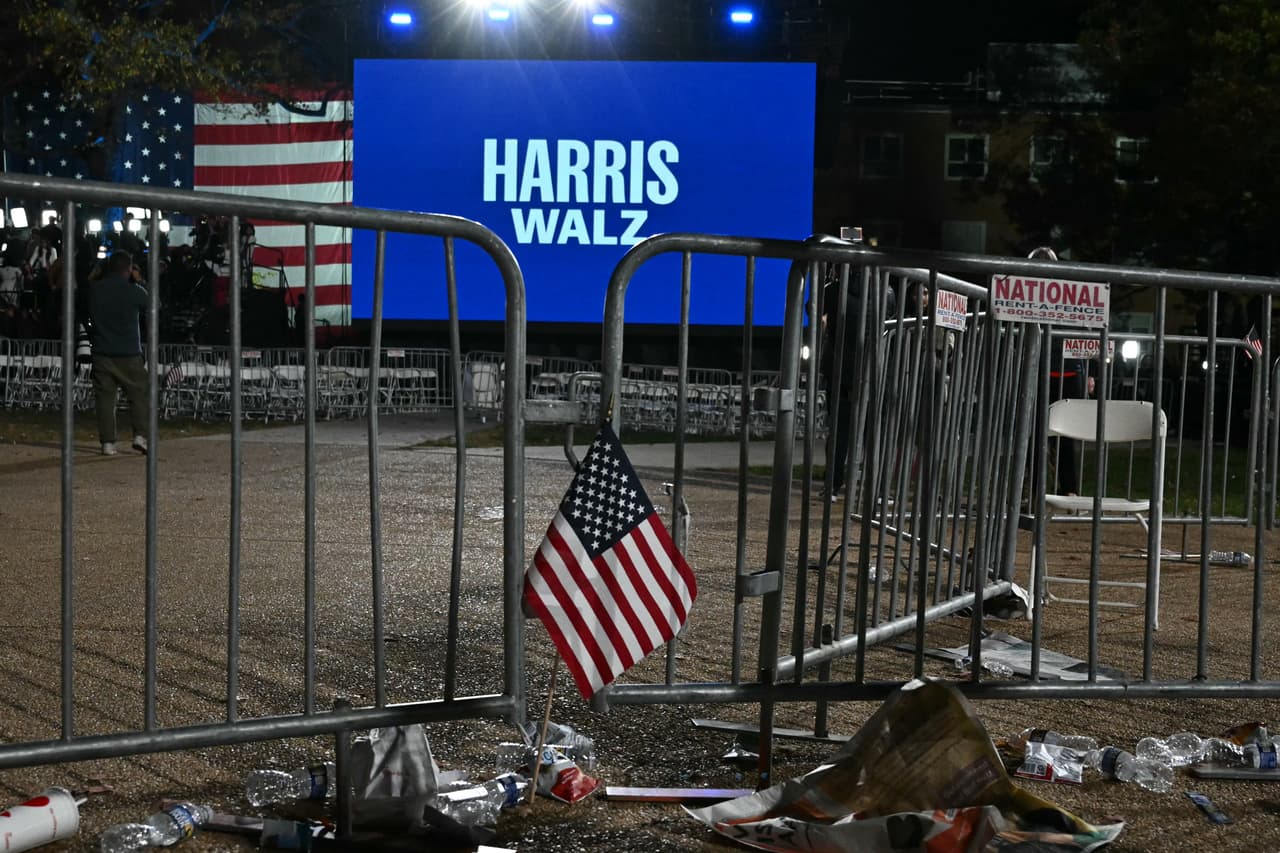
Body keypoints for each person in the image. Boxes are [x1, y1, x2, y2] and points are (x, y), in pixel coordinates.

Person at [820, 262, 896, 500]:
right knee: (874, 432)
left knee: (839, 430)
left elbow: (813, 309)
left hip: (840, 367)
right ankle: (878, 489)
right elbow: (891, 318)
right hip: (875, 368)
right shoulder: (887, 291)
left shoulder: (833, 290)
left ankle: (832, 485)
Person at [87, 251, 149, 456]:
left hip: (102, 351)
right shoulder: (134, 290)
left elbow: (81, 298)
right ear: (129, 269)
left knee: (105, 399)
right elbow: (154, 306)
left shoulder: (95, 290)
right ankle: (140, 435)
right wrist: (141, 281)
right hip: (129, 352)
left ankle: (107, 442)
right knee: (138, 395)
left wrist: (96, 275)